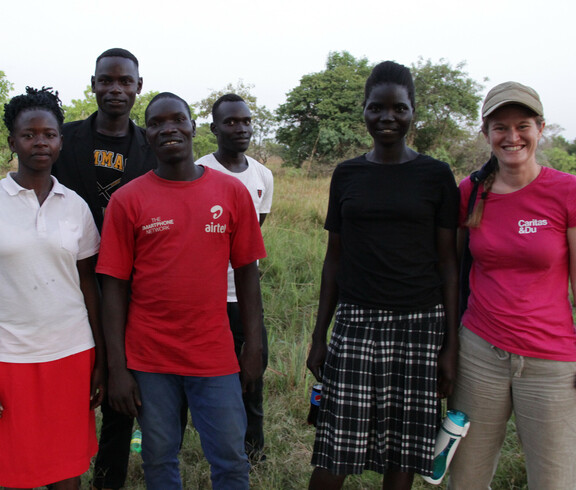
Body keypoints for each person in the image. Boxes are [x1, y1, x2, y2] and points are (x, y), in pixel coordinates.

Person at [96, 92, 266, 489]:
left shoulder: (231, 193)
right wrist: (118, 369)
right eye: (156, 122)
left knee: (230, 458)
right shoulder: (127, 200)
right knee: (157, 457)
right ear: (147, 133)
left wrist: (254, 344)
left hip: (214, 353)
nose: (168, 128)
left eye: (177, 119)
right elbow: (114, 288)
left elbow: (247, 273)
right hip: (150, 356)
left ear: (192, 126)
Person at [306, 61, 459, 490]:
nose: (387, 117)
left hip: (420, 325)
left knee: (404, 450)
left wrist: (450, 345)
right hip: (356, 323)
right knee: (335, 445)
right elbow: (332, 259)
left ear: (413, 112)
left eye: (398, 108)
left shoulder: (436, 175)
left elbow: (449, 263)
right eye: (377, 108)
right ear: (364, 110)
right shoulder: (347, 174)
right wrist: (320, 337)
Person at [447, 82, 576, 490]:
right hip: (479, 353)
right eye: (500, 127)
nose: (512, 137)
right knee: (465, 476)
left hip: (552, 363)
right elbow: (451, 266)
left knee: (554, 479)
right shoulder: (470, 191)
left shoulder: (566, 191)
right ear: (486, 133)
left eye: (523, 125)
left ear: (541, 128)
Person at [52, 47, 157, 490]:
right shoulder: (64, 139)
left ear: (138, 86)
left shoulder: (150, 147)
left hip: (127, 282)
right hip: (64, 279)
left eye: (124, 81)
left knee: (119, 377)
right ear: (93, 84)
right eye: (106, 81)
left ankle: (108, 479)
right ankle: (54, 466)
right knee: (66, 382)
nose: (115, 89)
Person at [0, 87, 104, 489]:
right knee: (13, 469)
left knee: (67, 469)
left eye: (49, 134)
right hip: (9, 356)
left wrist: (101, 358)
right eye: (29, 135)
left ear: (61, 141)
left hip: (71, 352)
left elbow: (88, 283)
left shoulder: (75, 205)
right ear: (12, 142)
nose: (39, 142)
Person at [196, 93, 273, 463]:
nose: (239, 128)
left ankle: (252, 450)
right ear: (214, 128)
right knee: (197, 379)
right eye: (230, 122)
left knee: (252, 373)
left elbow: (252, 242)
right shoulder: (198, 170)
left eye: (245, 121)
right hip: (204, 299)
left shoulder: (263, 175)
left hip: (244, 297)